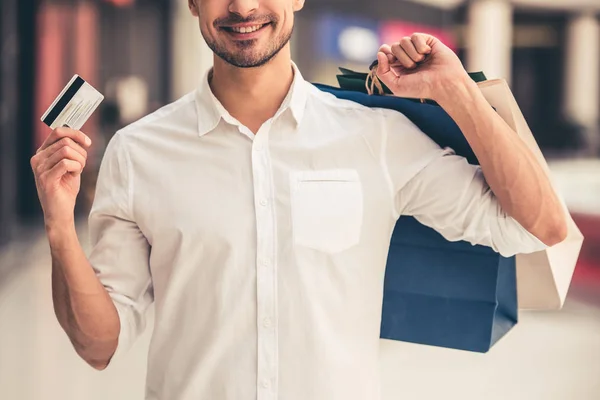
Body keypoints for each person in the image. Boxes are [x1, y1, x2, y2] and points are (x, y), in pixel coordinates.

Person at [30, 0, 568, 399]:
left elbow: (538, 225)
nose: (242, 7)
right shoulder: (139, 151)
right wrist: (58, 223)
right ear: (191, 3)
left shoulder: (376, 138)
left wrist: (457, 92)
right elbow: (99, 345)